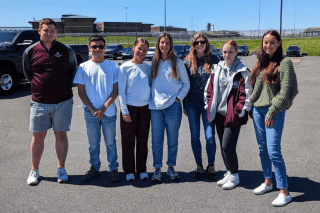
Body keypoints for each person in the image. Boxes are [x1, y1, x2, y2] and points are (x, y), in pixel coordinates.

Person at [23, 18, 77, 185]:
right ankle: (34, 170)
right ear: (39, 31)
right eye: (45, 30)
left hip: (63, 102)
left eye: (52, 30)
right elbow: (28, 74)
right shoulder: (30, 51)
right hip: (39, 102)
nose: (49, 33)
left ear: (57, 32)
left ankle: (61, 168)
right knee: (38, 136)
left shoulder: (66, 50)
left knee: (61, 135)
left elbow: (73, 70)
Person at [250, 30, 298, 207]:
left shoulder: (284, 62)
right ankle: (268, 181)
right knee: (263, 149)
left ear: (279, 42)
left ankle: (284, 191)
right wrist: (251, 104)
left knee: (273, 151)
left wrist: (272, 111)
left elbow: (285, 92)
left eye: (272, 42)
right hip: (257, 110)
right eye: (265, 42)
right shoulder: (262, 61)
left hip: (274, 112)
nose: (268, 45)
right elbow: (256, 87)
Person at [204, 40, 252, 189]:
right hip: (219, 113)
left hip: (233, 115)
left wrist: (240, 110)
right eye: (224, 52)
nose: (227, 55)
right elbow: (209, 88)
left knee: (227, 146)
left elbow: (246, 94)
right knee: (222, 145)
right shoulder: (217, 68)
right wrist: (208, 104)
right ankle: (230, 172)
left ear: (236, 52)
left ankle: (235, 175)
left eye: (230, 52)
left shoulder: (242, 71)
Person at [73, 35, 120, 183]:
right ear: (89, 48)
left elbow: (115, 91)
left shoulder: (112, 66)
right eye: (94, 46)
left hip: (109, 112)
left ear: (105, 48)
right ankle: (95, 168)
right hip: (90, 113)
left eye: (100, 46)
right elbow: (81, 91)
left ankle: (113, 168)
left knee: (110, 142)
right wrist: (93, 109)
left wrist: (104, 107)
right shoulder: (83, 67)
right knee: (93, 143)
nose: (97, 49)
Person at [149, 33, 190, 182]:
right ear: (158, 45)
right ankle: (157, 169)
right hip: (155, 107)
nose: (164, 45)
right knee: (157, 140)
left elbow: (186, 84)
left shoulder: (177, 63)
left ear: (170, 45)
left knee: (173, 139)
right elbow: (149, 84)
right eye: (162, 43)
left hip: (173, 106)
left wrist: (178, 98)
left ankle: (171, 167)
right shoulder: (154, 62)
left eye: (167, 43)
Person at [183, 33, 219, 179]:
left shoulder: (214, 60)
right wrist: (184, 104)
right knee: (195, 135)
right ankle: (199, 165)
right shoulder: (187, 62)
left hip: (208, 104)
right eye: (197, 42)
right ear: (193, 44)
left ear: (206, 44)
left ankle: (211, 164)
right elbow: (183, 84)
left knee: (210, 136)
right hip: (192, 103)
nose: (200, 44)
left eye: (202, 42)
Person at [118, 38, 151, 181]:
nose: (142, 52)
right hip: (129, 108)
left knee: (143, 140)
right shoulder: (124, 67)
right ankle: (129, 170)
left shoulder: (148, 68)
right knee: (128, 141)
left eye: (144, 50)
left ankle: (142, 169)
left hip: (145, 108)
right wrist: (124, 110)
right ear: (133, 48)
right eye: (139, 48)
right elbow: (121, 91)